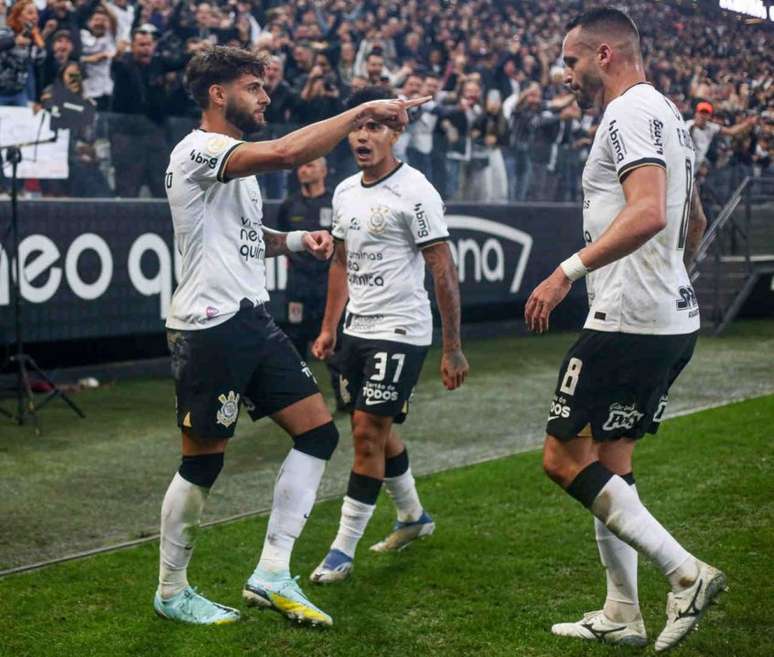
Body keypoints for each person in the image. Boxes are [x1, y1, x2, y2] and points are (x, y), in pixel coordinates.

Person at [156, 46, 428, 627]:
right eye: (254, 87)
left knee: (316, 433)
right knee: (202, 462)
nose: (265, 97)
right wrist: (360, 113)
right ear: (218, 94)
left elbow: (253, 237)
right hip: (210, 328)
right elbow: (285, 152)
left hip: (250, 320)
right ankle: (171, 590)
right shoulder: (201, 149)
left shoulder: (231, 163)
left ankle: (273, 572)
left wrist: (302, 241)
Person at [524, 8, 722, 652]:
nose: (567, 73)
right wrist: (666, 279)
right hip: (666, 315)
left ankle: (685, 573)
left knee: (562, 457)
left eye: (572, 61)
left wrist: (565, 274)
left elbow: (646, 215)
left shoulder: (628, 112)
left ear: (604, 55)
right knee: (612, 460)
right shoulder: (669, 116)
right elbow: (692, 219)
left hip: (628, 320)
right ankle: (621, 612)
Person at [308, 86, 469, 584]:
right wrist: (330, 326)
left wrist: (452, 346)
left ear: (396, 132)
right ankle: (413, 516)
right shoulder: (344, 191)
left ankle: (342, 548)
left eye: (375, 125)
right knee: (376, 428)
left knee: (364, 434)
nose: (362, 135)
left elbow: (442, 269)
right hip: (356, 328)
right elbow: (340, 261)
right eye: (357, 125)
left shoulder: (417, 190)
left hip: (400, 329)